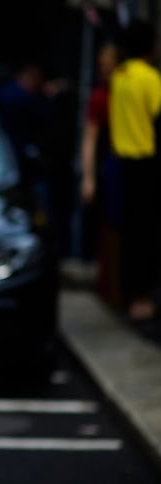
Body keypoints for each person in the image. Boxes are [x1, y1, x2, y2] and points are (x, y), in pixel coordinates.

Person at [108, 19, 161, 322]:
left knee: (127, 232)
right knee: (146, 234)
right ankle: (142, 299)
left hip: (121, 164)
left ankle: (127, 295)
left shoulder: (119, 76)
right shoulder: (150, 78)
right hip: (146, 164)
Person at [79, 42, 122, 305]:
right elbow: (90, 138)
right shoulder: (100, 96)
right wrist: (89, 176)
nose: (105, 69)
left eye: (109, 64)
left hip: (123, 163)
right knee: (109, 229)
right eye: (102, 65)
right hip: (110, 166)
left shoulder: (124, 89)